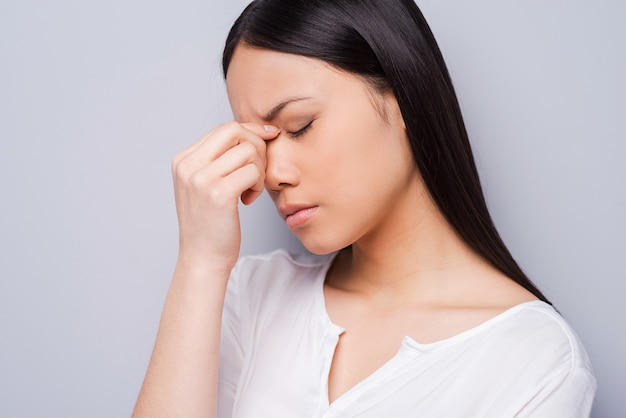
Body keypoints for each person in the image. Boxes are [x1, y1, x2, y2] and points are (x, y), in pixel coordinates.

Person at [133, 0, 596, 416]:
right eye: (257, 144)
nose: (272, 174)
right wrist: (200, 263)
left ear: (404, 99)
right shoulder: (250, 295)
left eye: (299, 126)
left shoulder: (534, 362)